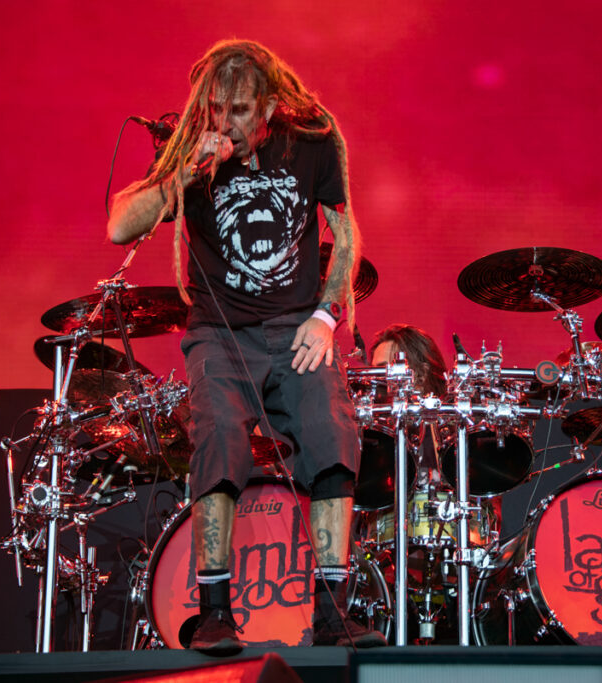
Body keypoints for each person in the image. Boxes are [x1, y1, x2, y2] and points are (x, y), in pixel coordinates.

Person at [107, 39, 384, 652]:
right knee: (219, 440)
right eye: (216, 107)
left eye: (238, 110)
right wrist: (186, 171)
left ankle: (332, 612)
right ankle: (214, 612)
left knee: (332, 433)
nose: (225, 121)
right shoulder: (189, 146)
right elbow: (119, 224)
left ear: (268, 107)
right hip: (220, 332)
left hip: (297, 326)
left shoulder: (311, 138)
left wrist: (325, 316)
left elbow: (345, 235)